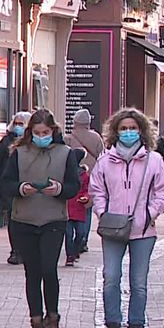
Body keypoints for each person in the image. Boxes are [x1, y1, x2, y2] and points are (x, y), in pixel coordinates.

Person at [89, 108, 164, 328]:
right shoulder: (105, 160)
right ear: (115, 131)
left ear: (141, 131)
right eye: (123, 129)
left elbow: (163, 191)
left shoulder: (153, 160)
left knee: (139, 282)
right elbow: (97, 190)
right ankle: (112, 327)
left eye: (133, 128)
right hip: (113, 228)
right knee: (111, 278)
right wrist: (103, 213)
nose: (128, 133)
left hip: (143, 231)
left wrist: (150, 213)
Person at [1, 110, 81, 328]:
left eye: (45, 132)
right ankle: (36, 322)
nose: (41, 137)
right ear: (30, 133)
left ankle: (53, 320)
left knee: (49, 268)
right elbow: (5, 183)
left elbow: (73, 186)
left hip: (53, 219)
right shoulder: (19, 153)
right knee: (32, 273)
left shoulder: (65, 154)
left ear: (53, 131)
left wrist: (59, 190)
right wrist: (20, 188)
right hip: (24, 218)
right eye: (36, 133)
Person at [0, 111, 31, 264]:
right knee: (12, 220)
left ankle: (25, 250)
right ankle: (15, 250)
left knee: (25, 221)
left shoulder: (30, 143)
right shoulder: (6, 142)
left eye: (21, 123)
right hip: (9, 186)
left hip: (27, 187)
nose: (18, 126)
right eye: (16, 123)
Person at [65, 109, 105, 254]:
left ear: (75, 121)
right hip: (92, 178)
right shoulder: (96, 137)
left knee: (72, 207)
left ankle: (71, 239)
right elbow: (102, 156)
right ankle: (83, 241)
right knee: (86, 209)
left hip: (72, 176)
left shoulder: (68, 138)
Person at [65, 149, 91, 267]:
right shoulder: (65, 173)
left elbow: (87, 189)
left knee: (80, 233)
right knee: (69, 234)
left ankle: (74, 252)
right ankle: (70, 256)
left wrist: (85, 197)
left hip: (78, 206)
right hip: (67, 207)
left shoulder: (84, 175)